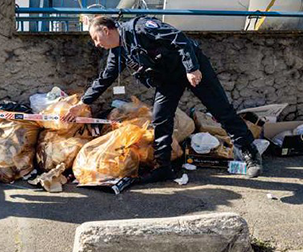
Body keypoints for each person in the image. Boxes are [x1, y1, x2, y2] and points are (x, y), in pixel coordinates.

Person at [63, 15, 262, 184]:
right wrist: (83, 103)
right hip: (168, 78)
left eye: (96, 39)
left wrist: (192, 68)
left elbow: (179, 38)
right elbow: (105, 77)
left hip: (191, 67)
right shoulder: (118, 50)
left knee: (221, 110)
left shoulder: (140, 28)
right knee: (160, 118)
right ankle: (163, 167)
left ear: (106, 30)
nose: (97, 45)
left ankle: (250, 154)